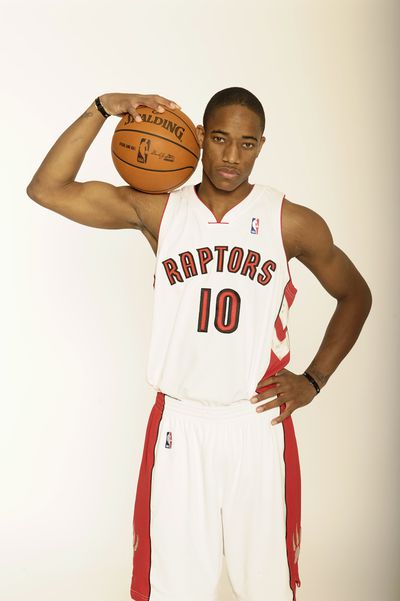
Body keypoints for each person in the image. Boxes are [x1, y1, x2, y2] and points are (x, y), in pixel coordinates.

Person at [27, 88, 372, 601]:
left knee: (268, 589)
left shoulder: (290, 221)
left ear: (261, 146)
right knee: (174, 589)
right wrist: (103, 108)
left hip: (256, 423)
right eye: (220, 139)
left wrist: (314, 379)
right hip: (180, 425)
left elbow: (355, 295)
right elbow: (47, 189)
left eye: (247, 143)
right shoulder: (162, 212)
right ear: (198, 138)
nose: (232, 156)